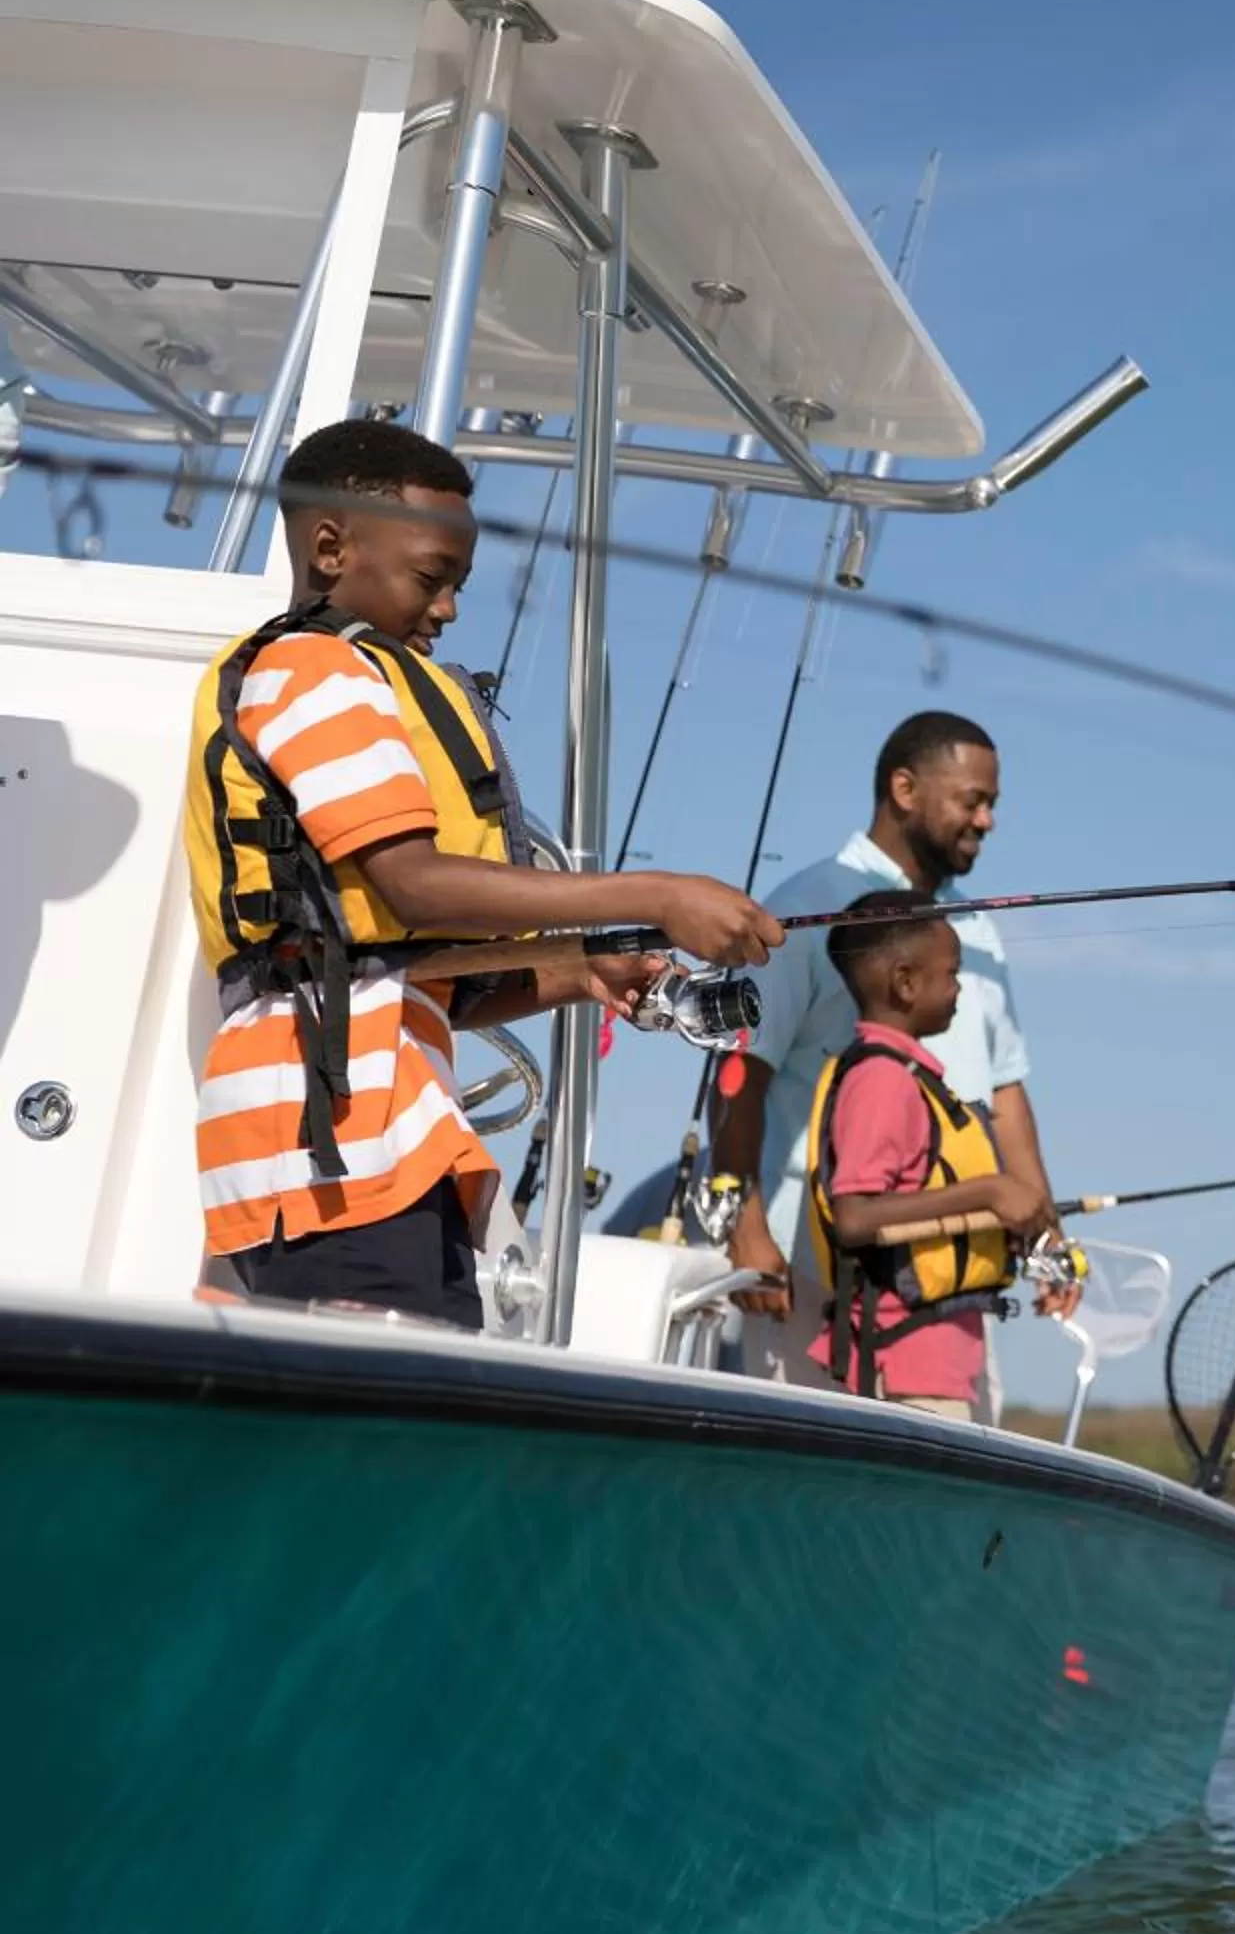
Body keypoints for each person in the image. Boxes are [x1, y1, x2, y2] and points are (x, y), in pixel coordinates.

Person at [184, 419, 782, 1326]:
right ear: (332, 546)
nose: (449, 609)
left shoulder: (344, 675)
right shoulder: (317, 672)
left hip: (365, 1135)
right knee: (395, 1426)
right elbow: (415, 887)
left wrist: (581, 972)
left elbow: (413, 973)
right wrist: (657, 895)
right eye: (433, 578)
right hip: (332, 1143)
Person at [709, 710, 1074, 1383]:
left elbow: (1006, 1095)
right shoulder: (802, 908)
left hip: (955, 1293)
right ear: (905, 790)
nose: (987, 821)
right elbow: (738, 1072)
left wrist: (1046, 1238)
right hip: (813, 1283)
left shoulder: (980, 934)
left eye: (993, 804)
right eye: (974, 800)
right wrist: (743, 1226)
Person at [804, 892, 1052, 1418]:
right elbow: (854, 1217)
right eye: (952, 973)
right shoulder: (880, 1081)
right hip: (906, 1366)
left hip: (937, 1361)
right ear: (906, 982)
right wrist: (990, 1191)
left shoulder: (908, 1077)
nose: (958, 987)